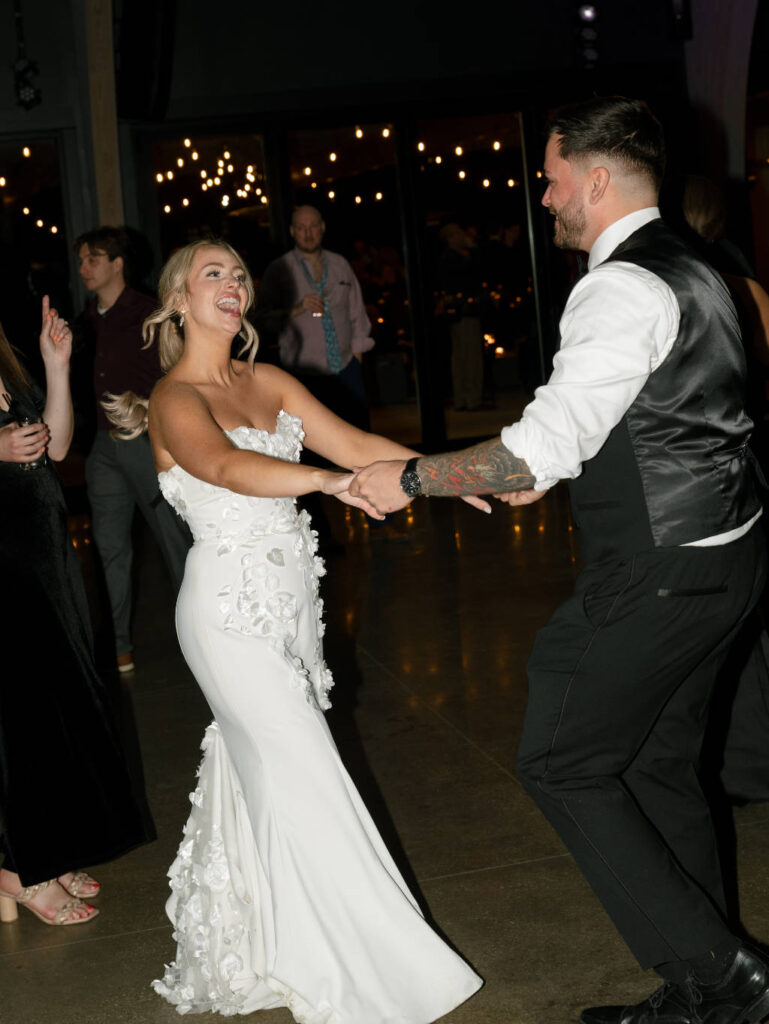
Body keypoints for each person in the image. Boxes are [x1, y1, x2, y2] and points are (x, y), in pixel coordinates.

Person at [350, 96, 769, 1024]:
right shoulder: (699, 267)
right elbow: (672, 410)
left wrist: (409, 476)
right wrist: (550, 472)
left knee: (559, 760)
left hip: (658, 573)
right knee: (658, 767)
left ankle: (727, 973)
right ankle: (701, 990)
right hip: (722, 560)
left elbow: (539, 444)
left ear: (595, 178)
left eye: (548, 180)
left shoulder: (617, 285)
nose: (542, 199)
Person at [106, 238, 483, 1021]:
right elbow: (222, 467)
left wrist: (453, 475)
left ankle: (274, 944)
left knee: (276, 777)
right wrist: (328, 482)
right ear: (177, 300)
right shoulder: (175, 396)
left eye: (239, 272)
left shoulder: (269, 381)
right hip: (227, 613)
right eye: (212, 273)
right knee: (307, 772)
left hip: (292, 603)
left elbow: (355, 445)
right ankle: (362, 968)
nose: (232, 283)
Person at [0, 299, 151, 927]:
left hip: (43, 559)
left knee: (52, 708)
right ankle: (15, 869)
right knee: (15, 717)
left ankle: (46, 850)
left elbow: (57, 447)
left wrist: (55, 367)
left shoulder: (4, 367)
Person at [75, 226, 191, 673]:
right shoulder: (85, 321)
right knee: (109, 548)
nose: (84, 267)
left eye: (92, 259)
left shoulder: (147, 312)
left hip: (143, 442)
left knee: (172, 538)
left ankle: (205, 636)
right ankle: (118, 645)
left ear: (116, 264)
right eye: (83, 260)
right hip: (102, 448)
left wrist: (153, 417)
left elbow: (176, 371)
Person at [437, 223, 485, 411]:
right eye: (458, 234)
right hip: (465, 313)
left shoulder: (451, 258)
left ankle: (464, 397)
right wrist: (472, 249)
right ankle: (471, 398)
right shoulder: (454, 259)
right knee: (469, 356)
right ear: (450, 238)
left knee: (461, 356)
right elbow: (473, 276)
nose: (463, 236)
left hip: (460, 313)